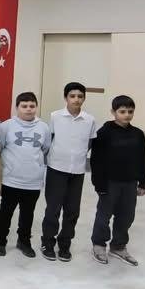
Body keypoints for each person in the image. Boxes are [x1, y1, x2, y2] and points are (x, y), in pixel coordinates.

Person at [40, 82, 97, 262]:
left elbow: (90, 143)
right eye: (72, 96)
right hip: (56, 168)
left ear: (84, 98)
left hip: (77, 171)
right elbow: (50, 139)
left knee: (72, 210)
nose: (76, 99)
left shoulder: (89, 120)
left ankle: (65, 244)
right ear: (66, 98)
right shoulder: (55, 116)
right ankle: (47, 242)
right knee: (53, 208)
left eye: (80, 96)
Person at [90, 95, 145, 266]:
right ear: (113, 112)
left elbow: (143, 158)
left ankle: (118, 246)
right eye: (122, 111)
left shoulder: (138, 134)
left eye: (130, 111)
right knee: (104, 215)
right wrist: (99, 184)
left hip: (130, 183)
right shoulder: (104, 133)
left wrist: (143, 182)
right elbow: (96, 160)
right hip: (109, 183)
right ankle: (99, 245)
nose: (127, 115)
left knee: (127, 215)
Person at [0, 92, 51, 258]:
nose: (28, 109)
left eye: (32, 106)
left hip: (33, 180)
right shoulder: (6, 126)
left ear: (36, 107)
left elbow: (45, 149)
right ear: (17, 107)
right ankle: (0, 241)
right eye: (24, 106)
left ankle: (24, 241)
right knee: (6, 211)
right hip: (11, 179)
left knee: (28, 213)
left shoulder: (43, 127)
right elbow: (0, 148)